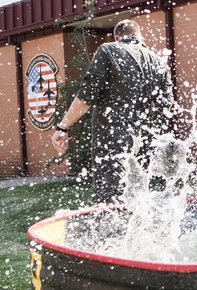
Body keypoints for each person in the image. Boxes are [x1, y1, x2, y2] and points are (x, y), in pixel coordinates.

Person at [52, 19, 173, 204]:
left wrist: (62, 127)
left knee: (109, 200)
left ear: (117, 37)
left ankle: (110, 230)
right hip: (140, 141)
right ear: (140, 37)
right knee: (135, 198)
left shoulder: (108, 50)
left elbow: (87, 96)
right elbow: (166, 106)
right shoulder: (158, 62)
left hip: (110, 140)